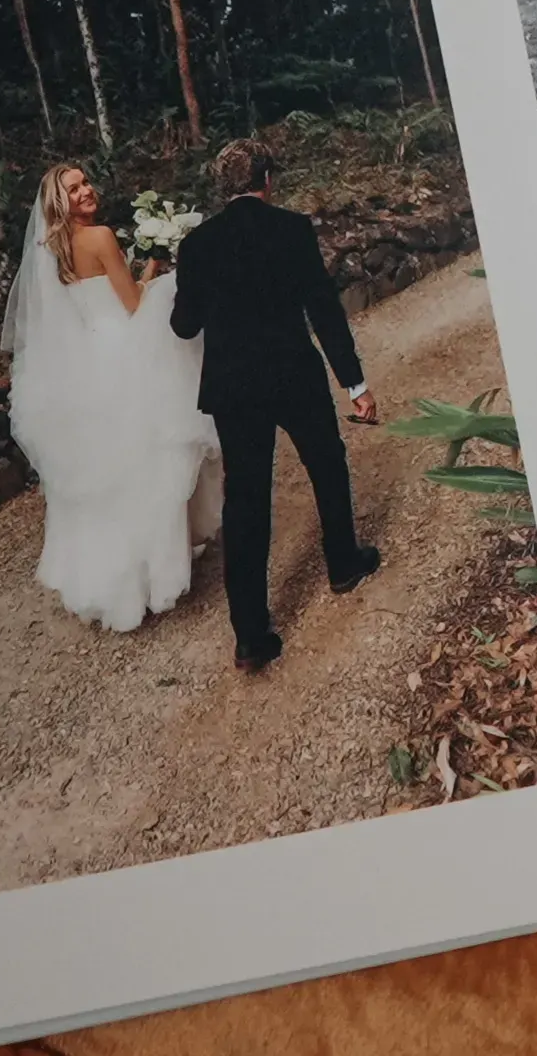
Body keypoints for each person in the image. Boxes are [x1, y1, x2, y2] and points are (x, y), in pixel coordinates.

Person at [168, 138, 381, 673]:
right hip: (293, 373)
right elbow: (324, 310)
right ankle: (344, 564)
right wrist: (354, 383)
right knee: (326, 464)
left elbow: (183, 325)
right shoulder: (292, 229)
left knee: (246, 501)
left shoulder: (195, 247)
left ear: (223, 188)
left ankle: (251, 635)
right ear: (266, 180)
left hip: (233, 388)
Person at [1, 164, 225, 631]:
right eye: (74, 188)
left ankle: (104, 580)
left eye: (85, 183)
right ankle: (148, 575)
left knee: (101, 474)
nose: (86, 191)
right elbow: (134, 303)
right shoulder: (100, 237)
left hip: (84, 362)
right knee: (143, 464)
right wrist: (158, 263)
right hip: (123, 349)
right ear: (59, 201)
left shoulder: (51, 248)